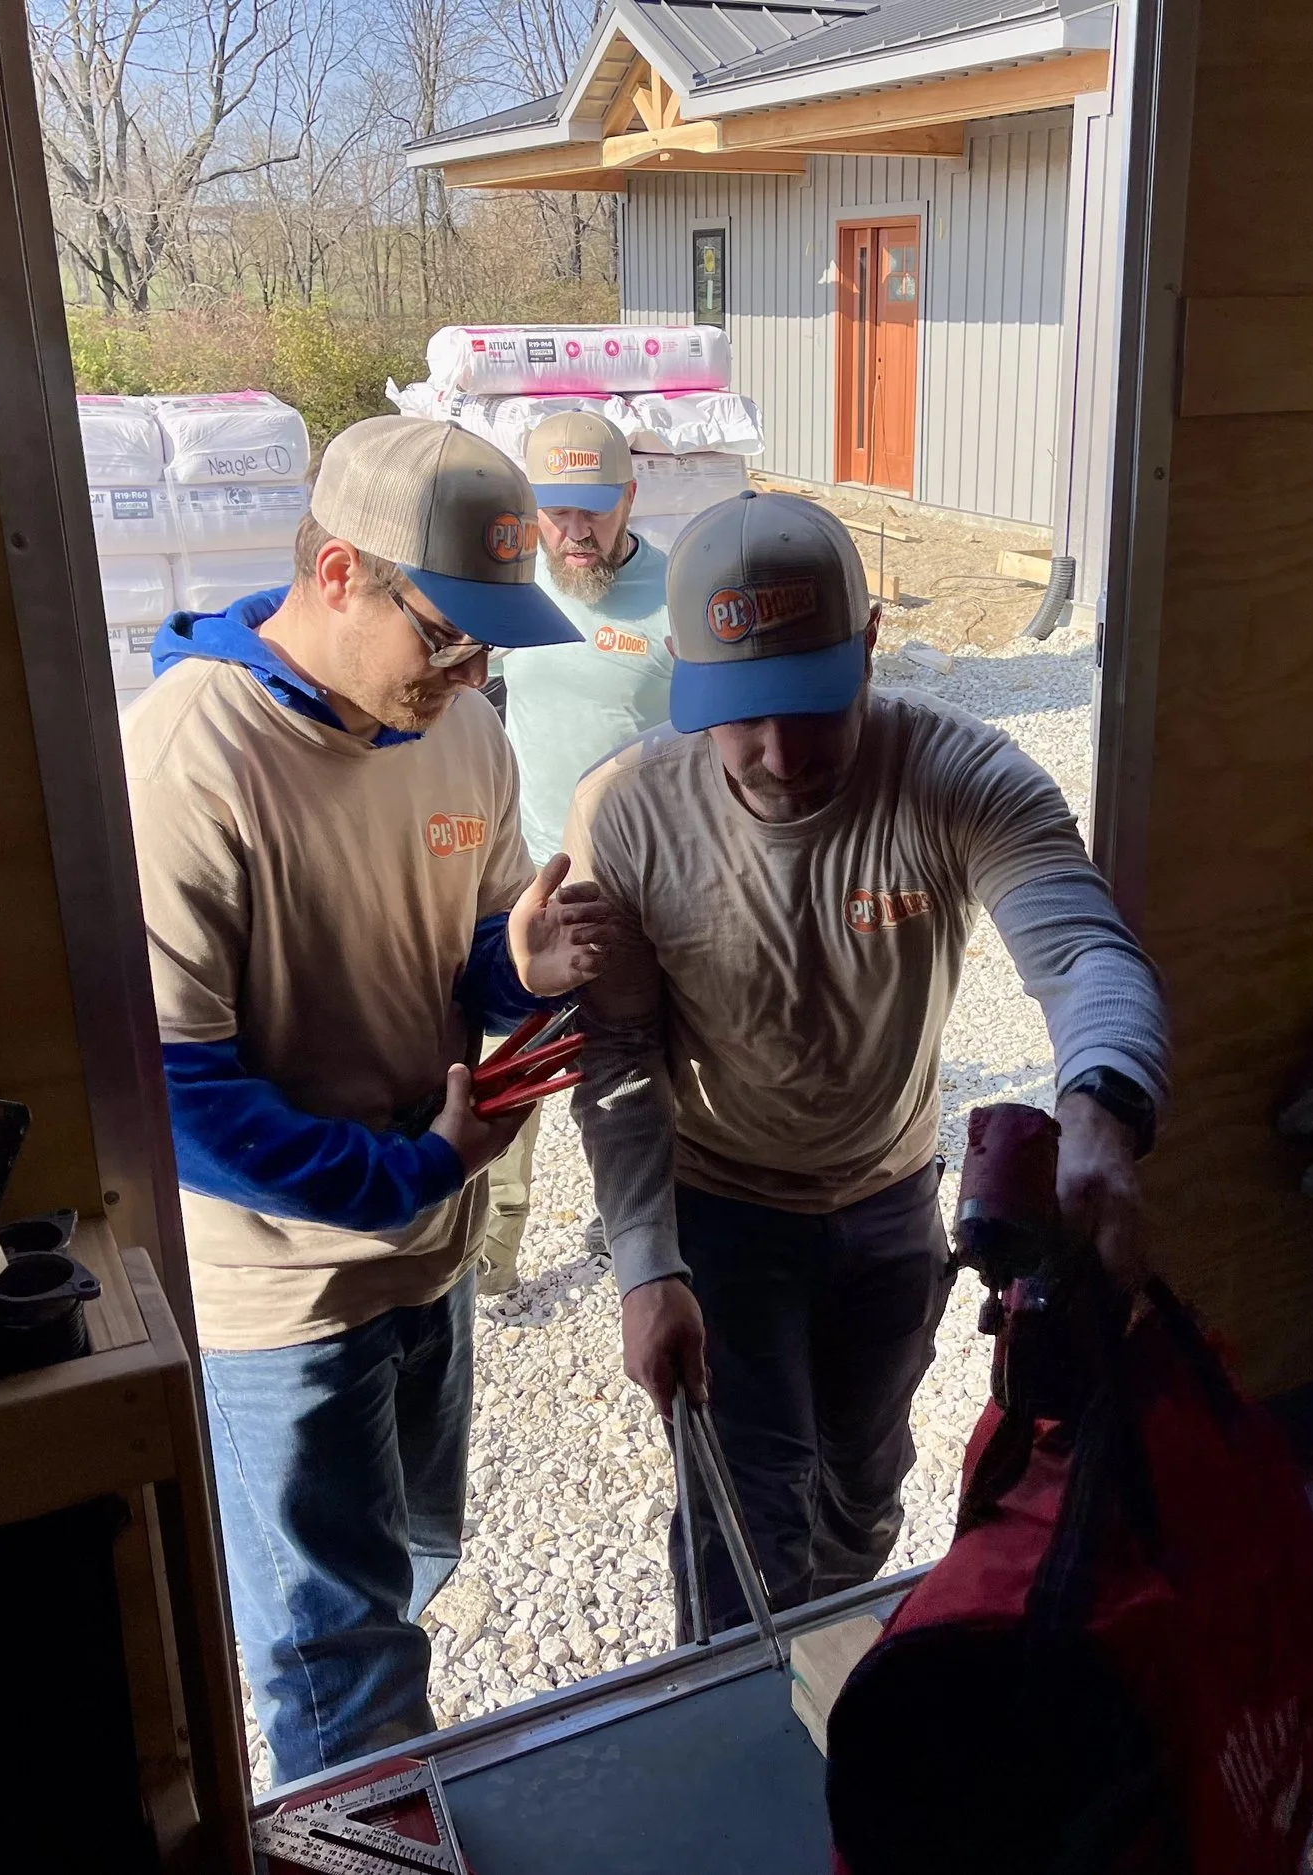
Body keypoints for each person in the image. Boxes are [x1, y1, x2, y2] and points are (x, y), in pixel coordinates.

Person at [563, 491, 1170, 1631]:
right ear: (683, 671)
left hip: (890, 1200)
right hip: (723, 1209)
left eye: (810, 702)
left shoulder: (956, 777)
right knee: (744, 1515)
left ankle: (842, 1676)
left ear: (871, 643)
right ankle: (736, 1713)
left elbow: (1084, 950)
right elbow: (620, 1053)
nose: (781, 753)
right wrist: (648, 1264)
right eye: (740, 715)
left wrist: (1099, 1116)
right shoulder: (630, 811)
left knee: (863, 1480)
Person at [123, 416, 624, 1782]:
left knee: (413, 1566)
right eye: (446, 632)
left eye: (491, 644)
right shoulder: (188, 761)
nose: (470, 672)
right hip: (285, 1299)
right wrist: (412, 1170)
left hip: (430, 1258)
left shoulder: (462, 736)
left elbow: (466, 944)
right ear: (339, 571)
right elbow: (177, 1093)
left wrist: (515, 967)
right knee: (336, 1662)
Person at [476, 411, 675, 1296]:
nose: (575, 532)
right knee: (507, 1073)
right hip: (524, 878)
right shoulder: (512, 590)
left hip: (637, 887)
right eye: (555, 512)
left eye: (593, 509)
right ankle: (492, 1258)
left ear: (630, 496)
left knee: (636, 1061)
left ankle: (628, 1222)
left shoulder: (678, 597)